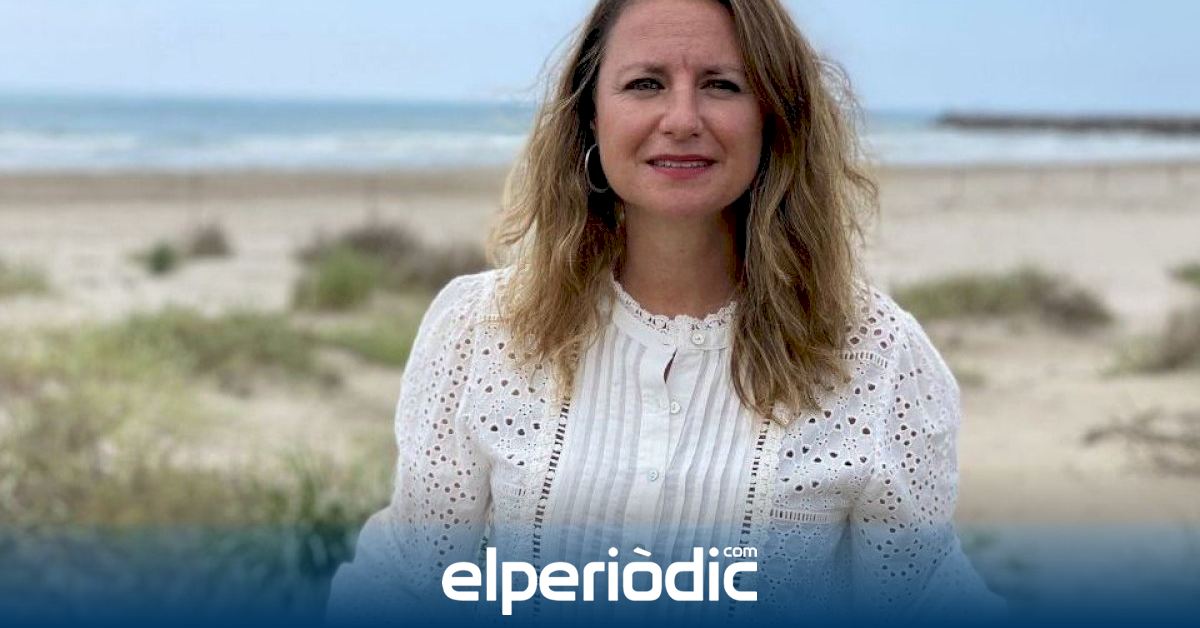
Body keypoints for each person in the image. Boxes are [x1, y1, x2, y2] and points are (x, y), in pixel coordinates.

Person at [327, 0, 1005, 625]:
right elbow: (405, 584)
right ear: (590, 115)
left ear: (774, 117)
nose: (682, 119)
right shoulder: (479, 329)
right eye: (645, 83)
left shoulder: (877, 356)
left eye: (722, 85)